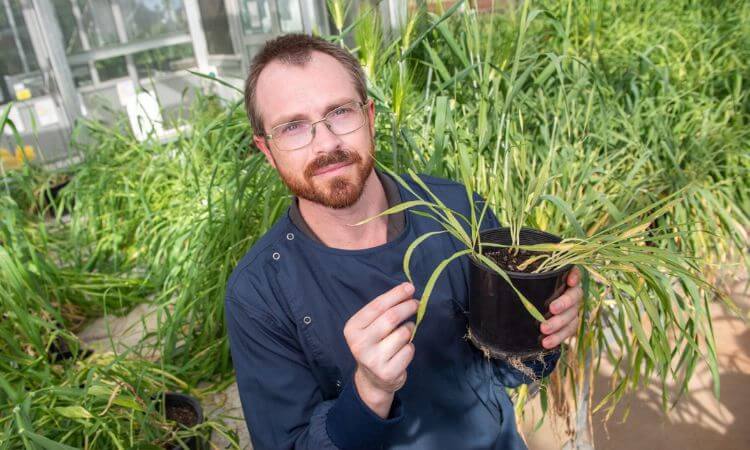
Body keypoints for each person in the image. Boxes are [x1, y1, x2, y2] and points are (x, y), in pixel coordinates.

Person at [225, 33, 582, 450]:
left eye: (340, 112)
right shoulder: (258, 293)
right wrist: (369, 393)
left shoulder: (456, 209)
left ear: (370, 116)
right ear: (267, 151)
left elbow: (512, 372)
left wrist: (542, 330)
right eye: (292, 127)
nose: (326, 144)